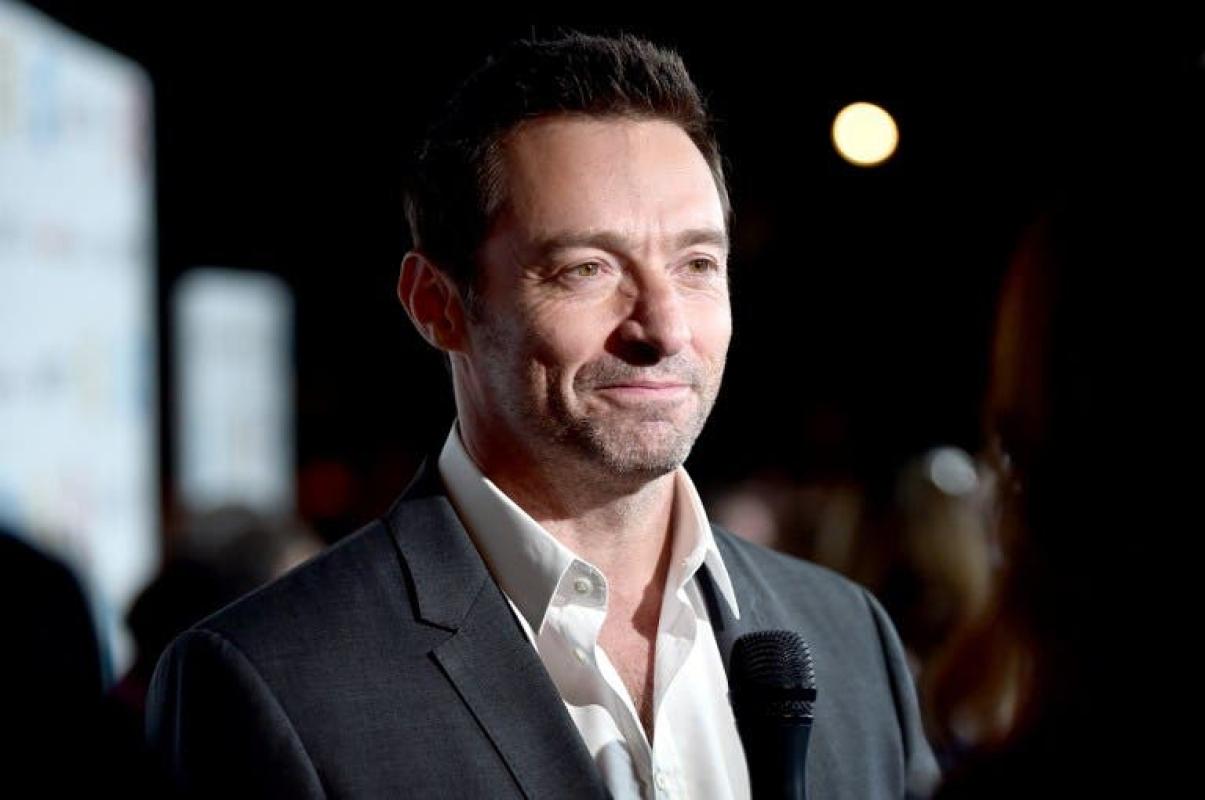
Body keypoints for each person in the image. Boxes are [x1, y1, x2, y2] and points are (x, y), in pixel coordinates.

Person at [147, 32, 939, 798]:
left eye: (697, 264)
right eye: (586, 269)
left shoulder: (848, 638)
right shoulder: (273, 680)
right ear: (436, 305)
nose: (664, 328)